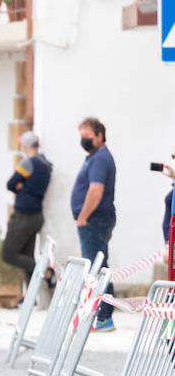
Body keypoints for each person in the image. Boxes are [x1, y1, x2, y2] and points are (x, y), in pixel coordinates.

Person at [73, 117, 117, 332]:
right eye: (81, 137)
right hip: (95, 220)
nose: (84, 140)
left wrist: (83, 216)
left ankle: (103, 316)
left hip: (94, 220)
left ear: (100, 136)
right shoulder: (94, 157)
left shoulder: (100, 158)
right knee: (101, 266)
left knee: (95, 268)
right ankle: (103, 315)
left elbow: (95, 190)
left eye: (87, 137)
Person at [2, 131, 52, 285]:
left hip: (23, 215)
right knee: (27, 255)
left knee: (8, 254)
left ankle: (46, 271)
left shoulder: (27, 163)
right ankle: (30, 298)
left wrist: (21, 188)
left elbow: (10, 184)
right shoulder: (46, 164)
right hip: (37, 215)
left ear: (25, 145)